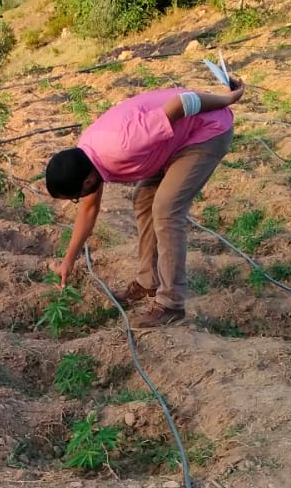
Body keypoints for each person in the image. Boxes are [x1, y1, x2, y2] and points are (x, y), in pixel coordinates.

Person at [42, 76, 244, 327]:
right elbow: (89, 210)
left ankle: (171, 304)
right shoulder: (87, 156)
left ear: (86, 182)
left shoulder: (124, 145)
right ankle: (149, 282)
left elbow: (184, 102)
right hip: (170, 142)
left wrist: (229, 98)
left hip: (206, 131)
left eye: (75, 196)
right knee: (144, 199)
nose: (78, 200)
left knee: (167, 209)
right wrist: (68, 261)